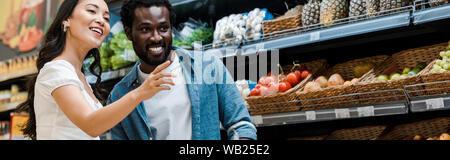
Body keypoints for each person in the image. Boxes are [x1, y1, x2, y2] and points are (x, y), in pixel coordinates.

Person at [17, 0, 175, 140]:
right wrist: (140, 93)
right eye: (91, 11)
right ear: (66, 19)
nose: (101, 20)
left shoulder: (78, 76)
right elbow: (91, 125)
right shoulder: (56, 69)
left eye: (106, 18)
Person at [108, 0, 257, 140]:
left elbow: (241, 125)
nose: (156, 37)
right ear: (128, 33)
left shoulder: (207, 66)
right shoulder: (119, 96)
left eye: (163, 28)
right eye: (145, 29)